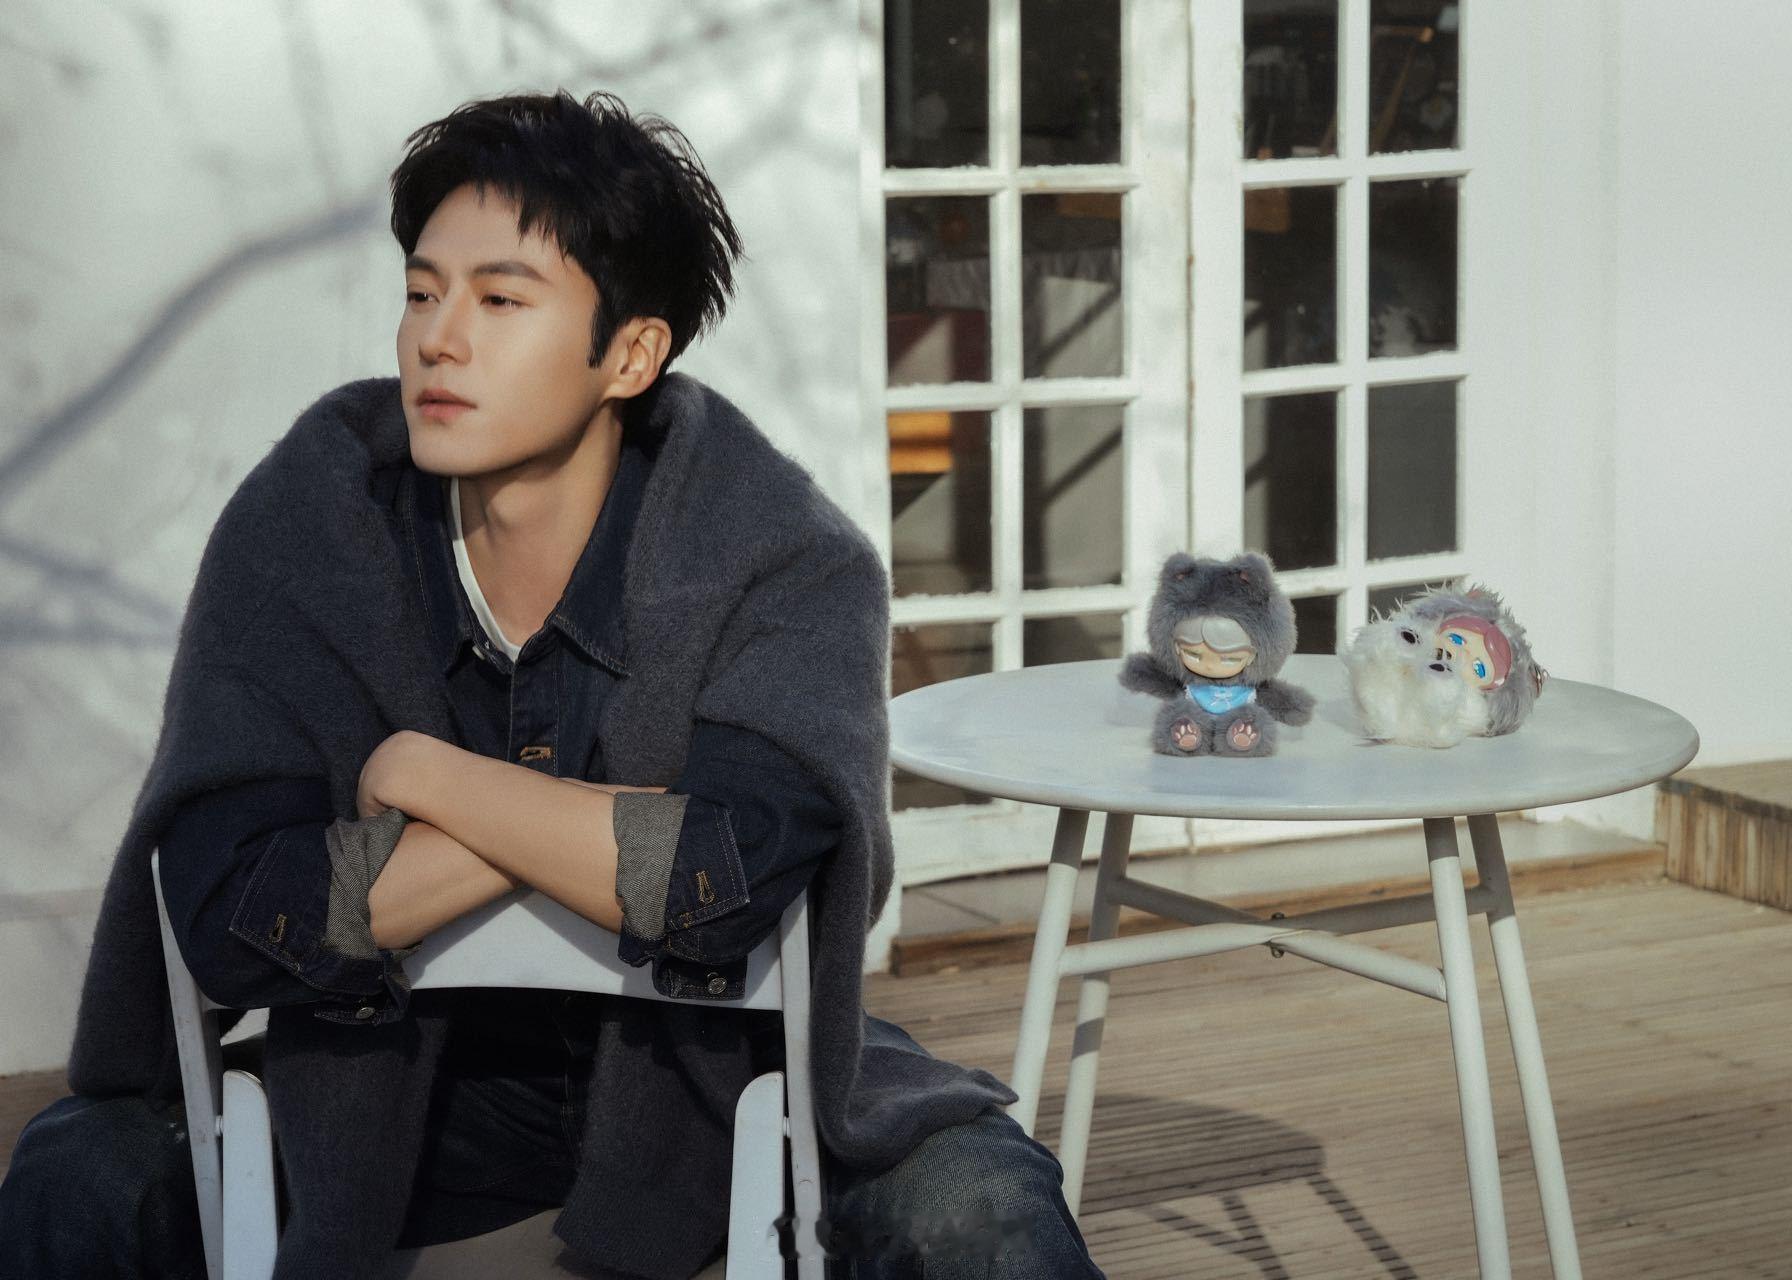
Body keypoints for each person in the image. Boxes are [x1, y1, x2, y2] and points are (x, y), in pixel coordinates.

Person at [0, 89, 1105, 1279]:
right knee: (83, 1169)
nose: (439, 339)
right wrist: (595, 826)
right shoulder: (309, 526)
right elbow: (237, 909)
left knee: (979, 1199)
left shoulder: (778, 551)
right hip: (396, 1090)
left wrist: (430, 776)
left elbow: (721, 883)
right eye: (421, 292)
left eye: (500, 300)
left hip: (716, 1080)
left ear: (630, 354)